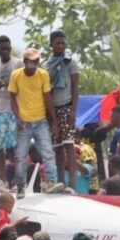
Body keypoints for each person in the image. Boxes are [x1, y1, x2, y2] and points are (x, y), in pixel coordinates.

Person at [9, 48, 64, 198]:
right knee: (20, 155)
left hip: (40, 121)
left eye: (36, 60)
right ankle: (21, 186)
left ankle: (50, 182)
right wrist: (17, 117)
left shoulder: (43, 74)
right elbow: (12, 98)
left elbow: (47, 98)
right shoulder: (16, 75)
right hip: (24, 122)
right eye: (31, 61)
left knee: (47, 152)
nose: (34, 63)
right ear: (25, 61)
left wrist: (54, 122)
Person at [46, 31, 80, 192]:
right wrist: (50, 115)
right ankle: (60, 183)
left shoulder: (70, 63)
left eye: (63, 43)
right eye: (57, 43)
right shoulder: (47, 65)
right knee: (58, 147)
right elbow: (46, 91)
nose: (60, 46)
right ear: (51, 45)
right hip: (53, 110)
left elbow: (75, 88)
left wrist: (73, 110)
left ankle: (72, 184)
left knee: (69, 145)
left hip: (66, 107)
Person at [0, 35, 22, 191]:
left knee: (14, 148)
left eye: (8, 48)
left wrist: (5, 83)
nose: (5, 51)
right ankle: (1, 181)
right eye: (2, 49)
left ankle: (18, 182)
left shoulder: (18, 63)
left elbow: (22, 83)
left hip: (15, 110)